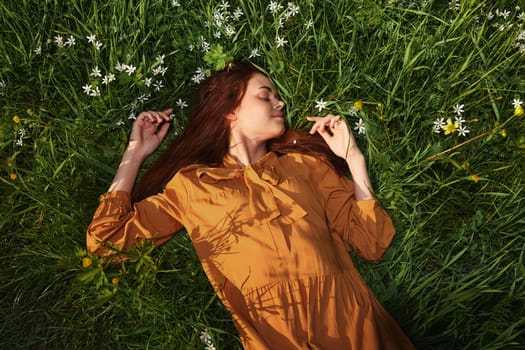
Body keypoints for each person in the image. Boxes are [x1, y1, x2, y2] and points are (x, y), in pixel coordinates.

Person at [86, 61, 415, 349]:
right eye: (265, 95)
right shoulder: (191, 185)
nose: (280, 102)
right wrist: (135, 153)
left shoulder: (304, 166)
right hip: (275, 338)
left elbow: (372, 243)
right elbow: (106, 243)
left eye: (275, 95)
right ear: (229, 109)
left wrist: (353, 159)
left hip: (358, 331)